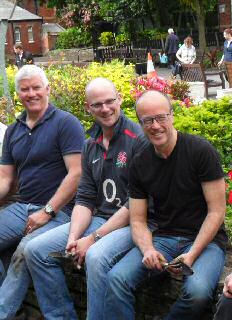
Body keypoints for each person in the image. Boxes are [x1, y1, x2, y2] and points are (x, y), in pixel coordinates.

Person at [22, 77, 150, 320]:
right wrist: (73, 239)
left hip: (132, 222)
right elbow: (84, 198)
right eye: (97, 104)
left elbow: (135, 204)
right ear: (87, 108)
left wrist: (91, 238)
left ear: (120, 99)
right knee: (35, 250)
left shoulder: (139, 140)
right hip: (99, 219)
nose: (105, 109)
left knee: (95, 257)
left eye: (110, 101)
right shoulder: (90, 144)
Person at [102, 90, 227, 320]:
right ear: (140, 123)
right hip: (164, 238)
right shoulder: (140, 161)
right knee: (117, 278)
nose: (155, 126)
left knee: (198, 293)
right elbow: (137, 219)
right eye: (147, 120)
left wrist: (192, 253)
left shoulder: (200, 151)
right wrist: (148, 249)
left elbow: (217, 211)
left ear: (172, 116)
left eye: (161, 117)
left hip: (206, 241)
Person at [0, 64, 85, 319]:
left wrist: (48, 211)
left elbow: (77, 173)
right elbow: (5, 178)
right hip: (22, 207)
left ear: (47, 89)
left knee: (27, 251)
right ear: (19, 95)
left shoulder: (65, 123)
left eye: (37, 87)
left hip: (62, 211)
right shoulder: (14, 130)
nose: (31, 93)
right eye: (25, 89)